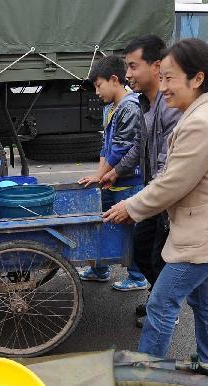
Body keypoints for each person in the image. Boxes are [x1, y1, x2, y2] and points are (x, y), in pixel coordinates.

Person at [103, 38, 208, 365]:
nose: (164, 87)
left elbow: (171, 183)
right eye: (161, 77)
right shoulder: (198, 115)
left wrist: (129, 207)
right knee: (205, 301)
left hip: (199, 239)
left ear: (197, 79)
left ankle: (146, 377)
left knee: (161, 304)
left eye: (170, 78)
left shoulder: (200, 123)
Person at [99, 35, 181, 327]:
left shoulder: (170, 108)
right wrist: (115, 172)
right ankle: (159, 300)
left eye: (133, 66)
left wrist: (134, 205)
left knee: (160, 257)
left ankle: (163, 310)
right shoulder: (146, 103)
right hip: (153, 195)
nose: (128, 74)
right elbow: (137, 147)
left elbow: (168, 171)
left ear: (156, 66)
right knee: (143, 248)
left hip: (165, 200)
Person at [77, 55, 148, 291]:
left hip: (130, 181)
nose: (97, 92)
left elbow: (121, 149)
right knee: (102, 222)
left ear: (114, 79)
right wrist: (100, 176)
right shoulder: (110, 108)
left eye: (99, 85)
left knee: (132, 230)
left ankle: (137, 277)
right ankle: (100, 268)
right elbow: (105, 147)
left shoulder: (130, 107)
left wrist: (102, 175)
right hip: (111, 179)